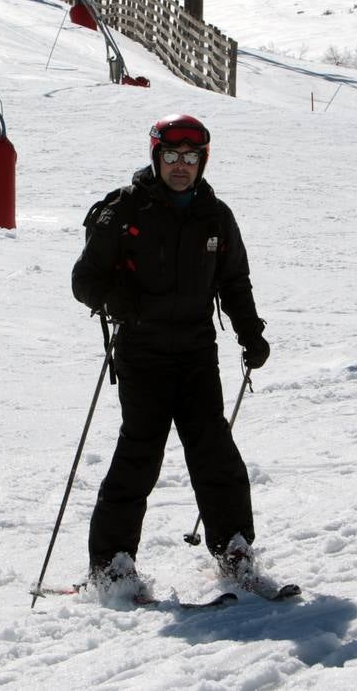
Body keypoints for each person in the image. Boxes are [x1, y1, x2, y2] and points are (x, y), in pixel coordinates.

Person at [71, 114, 271, 596]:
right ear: (155, 156)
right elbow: (84, 280)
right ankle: (112, 564)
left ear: (202, 161)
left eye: (190, 158)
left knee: (214, 450)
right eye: (171, 157)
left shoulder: (216, 216)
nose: (180, 166)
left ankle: (235, 549)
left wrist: (250, 333)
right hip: (142, 351)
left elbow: (233, 281)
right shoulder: (125, 211)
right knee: (141, 451)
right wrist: (119, 302)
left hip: (197, 352)